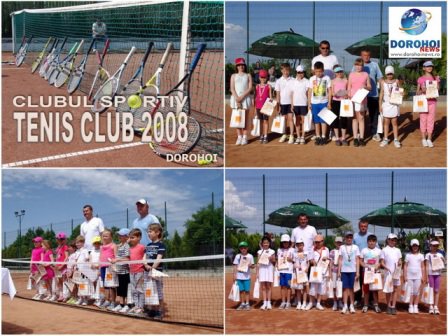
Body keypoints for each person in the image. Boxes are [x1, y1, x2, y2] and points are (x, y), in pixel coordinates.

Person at [352, 48, 383, 141]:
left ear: (370, 56)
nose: (366, 57)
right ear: (361, 56)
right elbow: (351, 79)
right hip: (359, 96)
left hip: (373, 95)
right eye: (364, 55)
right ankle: (359, 133)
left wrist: (385, 90)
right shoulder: (356, 66)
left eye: (368, 55)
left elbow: (380, 78)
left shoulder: (375, 65)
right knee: (359, 115)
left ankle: (374, 133)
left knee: (374, 114)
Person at [348, 58, 372, 147]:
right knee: (354, 119)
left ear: (363, 66)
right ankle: (355, 138)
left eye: (360, 65)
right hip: (353, 99)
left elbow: (370, 87)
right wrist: (349, 96)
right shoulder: (351, 74)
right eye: (357, 65)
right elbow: (349, 87)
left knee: (361, 118)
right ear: (354, 65)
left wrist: (365, 86)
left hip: (362, 99)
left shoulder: (366, 74)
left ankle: (361, 138)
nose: (358, 67)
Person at [144, 223, 166, 319]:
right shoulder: (148, 245)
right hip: (148, 272)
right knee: (151, 291)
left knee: (159, 292)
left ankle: (160, 311)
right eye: (148, 231)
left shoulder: (161, 245)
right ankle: (153, 310)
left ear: (157, 233)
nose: (148, 233)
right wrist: (145, 264)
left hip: (157, 272)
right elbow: (144, 257)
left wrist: (152, 268)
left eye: (150, 231)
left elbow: (159, 258)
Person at [416, 60, 440, 148]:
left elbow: (438, 89)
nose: (430, 68)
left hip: (432, 102)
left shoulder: (435, 78)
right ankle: (423, 139)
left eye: (431, 66)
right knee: (423, 120)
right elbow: (417, 92)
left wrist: (438, 82)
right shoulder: (420, 79)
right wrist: (422, 90)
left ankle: (429, 139)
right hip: (423, 102)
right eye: (427, 66)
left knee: (431, 120)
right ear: (424, 68)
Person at [307, 61, 332, 145]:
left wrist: (329, 102)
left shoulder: (327, 78)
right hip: (314, 103)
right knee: (316, 121)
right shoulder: (312, 79)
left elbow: (330, 90)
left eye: (320, 71)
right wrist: (309, 103)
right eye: (316, 71)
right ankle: (318, 136)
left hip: (324, 102)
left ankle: (324, 136)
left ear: (323, 70)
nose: (318, 73)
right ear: (314, 70)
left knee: (323, 120)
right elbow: (310, 91)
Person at [230, 57, 252, 145]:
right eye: (239, 65)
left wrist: (242, 97)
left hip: (245, 98)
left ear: (244, 66)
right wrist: (237, 98)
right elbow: (232, 88)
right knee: (237, 118)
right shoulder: (233, 76)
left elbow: (250, 88)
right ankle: (239, 137)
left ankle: (245, 137)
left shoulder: (248, 75)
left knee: (245, 118)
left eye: (242, 65)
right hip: (236, 99)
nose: (241, 66)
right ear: (237, 66)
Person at [379, 66, 402, 148]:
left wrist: (402, 93)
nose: (389, 75)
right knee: (386, 123)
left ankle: (396, 139)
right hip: (386, 105)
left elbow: (401, 91)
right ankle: (385, 139)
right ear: (385, 74)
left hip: (394, 105)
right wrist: (380, 105)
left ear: (393, 73)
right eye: (388, 74)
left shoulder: (396, 81)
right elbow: (381, 93)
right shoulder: (382, 82)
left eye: (391, 74)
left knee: (395, 123)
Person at [338, 232, 360, 314]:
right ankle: (345, 306)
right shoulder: (342, 247)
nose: (349, 239)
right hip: (344, 271)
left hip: (353, 271)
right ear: (345, 238)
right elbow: (340, 259)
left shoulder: (356, 247)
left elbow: (357, 260)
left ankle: (351, 305)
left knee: (351, 289)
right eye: (347, 237)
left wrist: (357, 272)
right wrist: (339, 271)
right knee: (344, 288)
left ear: (352, 238)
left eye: (350, 237)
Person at [353, 220, 375, 305]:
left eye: (365, 226)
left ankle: (370, 300)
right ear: (359, 226)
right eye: (362, 226)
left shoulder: (371, 236)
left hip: (369, 264)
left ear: (367, 227)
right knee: (358, 281)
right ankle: (357, 299)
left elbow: (377, 249)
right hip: (358, 263)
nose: (363, 227)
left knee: (369, 282)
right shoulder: (355, 236)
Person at [380, 233, 402, 315]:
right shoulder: (384, 250)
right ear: (388, 240)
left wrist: (400, 263)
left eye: (394, 240)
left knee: (395, 289)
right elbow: (382, 262)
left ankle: (393, 306)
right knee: (388, 290)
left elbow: (400, 261)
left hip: (396, 273)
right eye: (391, 239)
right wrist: (387, 268)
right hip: (388, 273)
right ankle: (388, 306)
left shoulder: (398, 250)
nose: (393, 241)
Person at [125, 228, 146, 316]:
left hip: (140, 271)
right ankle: (136, 306)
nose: (131, 239)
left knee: (139, 289)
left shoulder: (142, 247)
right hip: (131, 271)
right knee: (133, 290)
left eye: (133, 237)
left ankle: (141, 307)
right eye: (130, 237)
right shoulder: (130, 248)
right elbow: (128, 258)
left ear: (139, 237)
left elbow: (145, 257)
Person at [360, 234, 382, 313]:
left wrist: (377, 266)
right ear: (367, 242)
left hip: (376, 273)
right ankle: (365, 305)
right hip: (366, 273)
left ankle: (376, 305)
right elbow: (361, 261)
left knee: (375, 290)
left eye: (373, 241)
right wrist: (365, 266)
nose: (371, 243)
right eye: (370, 241)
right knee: (366, 290)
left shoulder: (379, 251)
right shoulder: (363, 250)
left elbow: (381, 262)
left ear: (376, 242)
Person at [110, 228, 131, 313]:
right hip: (119, 271)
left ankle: (126, 305)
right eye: (119, 235)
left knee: (125, 289)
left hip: (125, 271)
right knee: (120, 289)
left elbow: (127, 258)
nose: (119, 236)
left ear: (126, 237)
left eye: (121, 235)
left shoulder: (126, 246)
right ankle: (121, 304)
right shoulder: (121, 245)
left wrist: (116, 260)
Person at [307, 234, 329, 311]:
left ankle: (318, 303)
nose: (317, 243)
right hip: (315, 272)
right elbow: (309, 260)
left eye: (319, 242)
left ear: (322, 241)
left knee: (321, 288)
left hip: (323, 272)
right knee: (312, 287)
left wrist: (326, 259)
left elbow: (328, 260)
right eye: (316, 242)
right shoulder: (311, 249)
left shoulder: (326, 249)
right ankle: (310, 302)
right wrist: (312, 261)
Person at [404, 239, 426, 314]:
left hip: (418, 277)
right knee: (410, 292)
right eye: (413, 245)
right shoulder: (408, 255)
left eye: (416, 245)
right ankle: (410, 306)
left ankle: (415, 306)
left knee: (417, 292)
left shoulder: (421, 256)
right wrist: (405, 276)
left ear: (418, 246)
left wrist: (423, 276)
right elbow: (405, 266)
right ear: (411, 246)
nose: (415, 247)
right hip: (409, 277)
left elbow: (423, 267)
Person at [289, 65, 309, 144]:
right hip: (296, 104)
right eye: (298, 72)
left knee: (303, 120)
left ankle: (303, 137)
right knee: (297, 120)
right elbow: (292, 94)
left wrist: (308, 103)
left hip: (304, 104)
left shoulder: (307, 81)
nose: (300, 74)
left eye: (301, 72)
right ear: (296, 73)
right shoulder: (293, 82)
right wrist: (292, 105)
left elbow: (308, 94)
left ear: (304, 73)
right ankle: (298, 136)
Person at [275, 63, 295, 144]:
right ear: (281, 71)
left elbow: (294, 93)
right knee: (284, 120)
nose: (285, 72)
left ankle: (291, 135)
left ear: (289, 70)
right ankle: (284, 134)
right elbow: (277, 94)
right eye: (284, 70)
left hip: (290, 103)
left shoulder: (293, 80)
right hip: (282, 103)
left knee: (290, 119)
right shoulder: (278, 81)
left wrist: (293, 104)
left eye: (287, 70)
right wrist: (278, 105)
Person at [233, 241, 255, 310]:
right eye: (241, 248)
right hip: (239, 277)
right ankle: (242, 303)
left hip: (247, 277)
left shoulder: (250, 256)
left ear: (247, 248)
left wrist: (250, 265)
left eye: (244, 248)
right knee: (241, 291)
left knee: (247, 291)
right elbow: (235, 266)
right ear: (240, 249)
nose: (243, 249)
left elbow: (253, 266)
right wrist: (234, 275)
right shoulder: (237, 256)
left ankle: (247, 304)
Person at [425, 240, 445, 315]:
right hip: (430, 274)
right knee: (431, 290)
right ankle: (431, 306)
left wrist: (443, 260)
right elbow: (426, 266)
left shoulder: (440, 254)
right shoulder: (427, 255)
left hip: (437, 274)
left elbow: (444, 262)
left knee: (436, 290)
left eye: (436, 246)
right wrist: (426, 276)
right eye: (433, 246)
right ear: (430, 246)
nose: (435, 247)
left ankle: (435, 306)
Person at [330, 65, 349, 146]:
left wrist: (346, 95)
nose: (339, 73)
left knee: (344, 119)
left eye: (341, 71)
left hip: (344, 102)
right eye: (338, 72)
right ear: (335, 73)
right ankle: (337, 138)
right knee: (335, 119)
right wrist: (335, 94)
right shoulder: (333, 81)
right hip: (335, 102)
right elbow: (332, 93)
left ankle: (344, 138)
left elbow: (348, 90)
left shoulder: (346, 80)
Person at [99, 229, 117, 310]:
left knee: (111, 285)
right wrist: (99, 269)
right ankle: (107, 300)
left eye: (106, 236)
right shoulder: (101, 247)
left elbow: (116, 257)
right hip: (103, 268)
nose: (104, 237)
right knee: (105, 285)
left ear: (111, 237)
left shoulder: (113, 245)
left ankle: (113, 302)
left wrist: (114, 264)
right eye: (103, 236)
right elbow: (100, 257)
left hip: (110, 268)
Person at [256, 236, 275, 310]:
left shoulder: (272, 251)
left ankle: (269, 302)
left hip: (269, 269)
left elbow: (274, 262)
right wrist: (257, 273)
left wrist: (271, 259)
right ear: (262, 244)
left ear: (269, 243)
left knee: (269, 286)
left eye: (267, 243)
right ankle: (264, 302)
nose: (266, 244)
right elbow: (258, 263)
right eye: (264, 243)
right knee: (263, 287)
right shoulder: (259, 252)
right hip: (262, 270)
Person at [276, 234, 294, 309]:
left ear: (289, 242)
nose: (285, 243)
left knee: (288, 286)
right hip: (281, 271)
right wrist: (277, 265)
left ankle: (288, 302)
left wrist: (292, 260)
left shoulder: (292, 250)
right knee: (282, 286)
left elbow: (296, 260)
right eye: (283, 242)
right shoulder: (279, 250)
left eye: (286, 242)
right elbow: (277, 259)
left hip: (289, 272)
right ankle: (283, 302)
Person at [254, 69, 271, 143]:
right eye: (261, 77)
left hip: (266, 106)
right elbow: (255, 97)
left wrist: (270, 107)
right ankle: (261, 134)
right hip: (258, 106)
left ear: (266, 78)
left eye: (264, 77)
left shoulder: (268, 86)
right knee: (260, 121)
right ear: (259, 78)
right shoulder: (257, 86)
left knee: (265, 121)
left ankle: (265, 135)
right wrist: (255, 108)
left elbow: (270, 97)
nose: (263, 79)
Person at [292, 238, 310, 310]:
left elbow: (308, 262)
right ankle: (299, 303)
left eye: (301, 245)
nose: (300, 246)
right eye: (298, 245)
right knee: (299, 289)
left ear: (303, 245)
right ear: (296, 245)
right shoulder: (294, 253)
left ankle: (304, 303)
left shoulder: (306, 253)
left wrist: (307, 269)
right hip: (298, 273)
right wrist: (295, 266)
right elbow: (293, 263)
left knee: (305, 288)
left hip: (304, 273)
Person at [74, 235, 91, 306]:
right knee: (78, 284)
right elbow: (75, 260)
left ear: (83, 243)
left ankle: (85, 299)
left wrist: (86, 261)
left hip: (84, 271)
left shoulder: (85, 250)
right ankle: (81, 298)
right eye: (76, 243)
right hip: (77, 270)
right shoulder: (77, 251)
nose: (77, 244)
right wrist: (75, 266)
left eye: (79, 243)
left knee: (84, 284)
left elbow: (87, 258)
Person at [329, 236, 343, 310]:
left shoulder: (343, 251)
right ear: (335, 243)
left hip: (341, 272)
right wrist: (330, 273)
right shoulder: (332, 251)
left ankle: (340, 301)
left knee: (340, 287)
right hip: (334, 271)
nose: (339, 244)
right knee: (334, 287)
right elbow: (330, 263)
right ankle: (335, 302)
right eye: (337, 242)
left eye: (340, 242)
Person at [55, 232, 69, 302]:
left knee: (64, 281)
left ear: (64, 239)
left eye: (61, 239)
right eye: (58, 239)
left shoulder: (65, 247)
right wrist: (56, 265)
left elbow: (66, 257)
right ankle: (61, 294)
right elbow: (57, 257)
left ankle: (65, 295)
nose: (60, 240)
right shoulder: (58, 248)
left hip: (63, 267)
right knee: (59, 281)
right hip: (58, 267)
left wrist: (62, 265)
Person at [90, 236, 102, 307]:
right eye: (95, 243)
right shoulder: (92, 251)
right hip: (92, 269)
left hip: (99, 269)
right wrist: (91, 264)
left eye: (98, 243)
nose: (96, 244)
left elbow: (101, 259)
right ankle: (95, 297)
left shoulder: (101, 250)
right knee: (93, 283)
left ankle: (99, 298)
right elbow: (91, 259)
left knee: (99, 284)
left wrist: (99, 266)